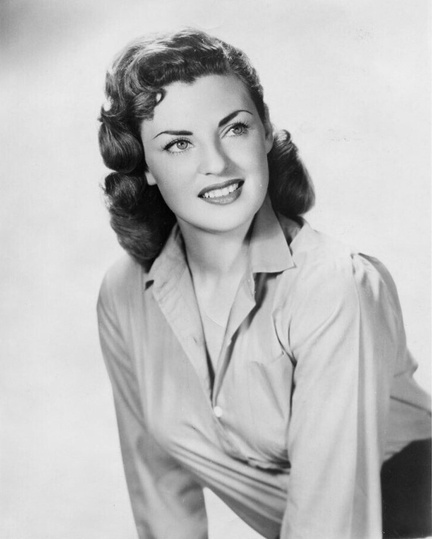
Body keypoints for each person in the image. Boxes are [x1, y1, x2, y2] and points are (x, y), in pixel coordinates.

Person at [97, 28, 431, 539]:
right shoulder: (125, 294)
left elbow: (331, 520)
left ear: (266, 132)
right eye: (180, 143)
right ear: (144, 168)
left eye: (234, 129)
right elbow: (160, 495)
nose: (217, 164)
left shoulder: (334, 284)